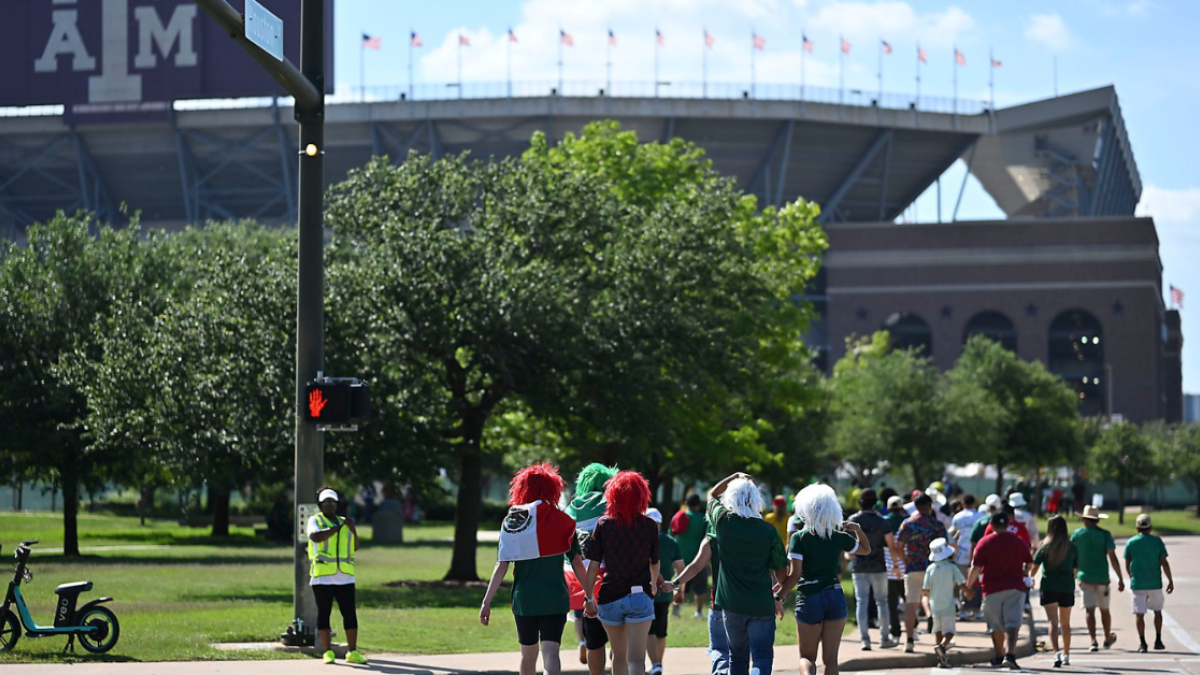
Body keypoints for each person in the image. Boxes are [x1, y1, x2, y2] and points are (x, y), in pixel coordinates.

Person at [482, 464, 588, 675]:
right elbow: (577, 562)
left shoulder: (512, 522)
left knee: (528, 655)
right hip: (555, 597)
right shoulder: (564, 521)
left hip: (525, 599)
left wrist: (486, 602)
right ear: (553, 489)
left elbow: (501, 565)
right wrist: (591, 597)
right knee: (551, 653)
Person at [779, 484, 870, 675]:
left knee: (807, 658)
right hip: (835, 595)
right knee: (831, 661)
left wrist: (779, 596)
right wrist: (858, 530)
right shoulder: (838, 536)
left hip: (810, 595)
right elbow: (865, 549)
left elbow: (795, 575)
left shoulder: (799, 538)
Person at [706, 473, 789, 675]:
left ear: (730, 499)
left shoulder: (723, 522)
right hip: (761, 604)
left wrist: (734, 476)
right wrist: (779, 592)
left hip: (731, 605)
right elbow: (782, 571)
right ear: (756, 500)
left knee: (737, 658)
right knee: (761, 656)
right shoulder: (768, 531)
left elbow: (711, 494)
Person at [583, 471, 664, 675]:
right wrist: (653, 585)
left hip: (609, 597)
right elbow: (655, 563)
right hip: (639, 595)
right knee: (636, 659)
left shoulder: (603, 524)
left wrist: (588, 596)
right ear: (642, 496)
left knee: (619, 657)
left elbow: (593, 565)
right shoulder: (649, 525)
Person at [567, 463, 619, 673]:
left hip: (583, 579)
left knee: (594, 640)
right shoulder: (613, 504)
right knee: (619, 638)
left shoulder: (572, 507)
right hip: (613, 577)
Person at [306, 487, 367, 665]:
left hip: (345, 576)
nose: (330, 505)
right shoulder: (315, 520)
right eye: (326, 502)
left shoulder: (345, 521)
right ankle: (327, 652)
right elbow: (315, 537)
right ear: (320, 505)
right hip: (323, 576)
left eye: (333, 502)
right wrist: (337, 528)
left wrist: (352, 529)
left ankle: (352, 651)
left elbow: (355, 546)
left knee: (350, 614)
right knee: (324, 613)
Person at [967, 511, 1033, 670]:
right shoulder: (1017, 541)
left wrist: (968, 586)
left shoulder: (984, 543)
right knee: (1013, 624)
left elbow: (975, 567)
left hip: (991, 589)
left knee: (995, 626)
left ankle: (998, 656)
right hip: (1015, 588)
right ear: (1008, 524)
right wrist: (1024, 572)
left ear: (992, 525)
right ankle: (1010, 655)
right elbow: (1029, 563)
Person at [847, 488, 897, 650]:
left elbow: (845, 544)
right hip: (878, 566)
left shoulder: (852, 520)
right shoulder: (882, 522)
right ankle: (884, 638)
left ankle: (864, 639)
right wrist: (895, 564)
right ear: (875, 504)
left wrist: (850, 557)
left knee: (862, 602)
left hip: (859, 567)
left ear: (860, 503)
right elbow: (891, 545)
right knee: (882, 602)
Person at [897, 492, 947, 653]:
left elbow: (899, 547)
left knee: (911, 605)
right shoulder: (937, 525)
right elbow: (944, 549)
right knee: (935, 604)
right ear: (930, 506)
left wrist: (906, 562)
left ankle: (909, 641)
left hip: (912, 569)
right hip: (934, 569)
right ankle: (938, 643)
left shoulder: (907, 524)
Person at [672, 534, 729, 675]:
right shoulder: (755, 534)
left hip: (719, 603)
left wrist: (675, 583)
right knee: (744, 653)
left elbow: (695, 566)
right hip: (745, 604)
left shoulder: (713, 539)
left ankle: (721, 670)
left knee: (719, 649)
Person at [1072, 505, 1124, 652]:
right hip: (1102, 577)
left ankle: (1093, 640)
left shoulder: (1077, 535)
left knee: (1089, 610)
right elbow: (1112, 557)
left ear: (1084, 520)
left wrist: (1073, 573)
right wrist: (1120, 577)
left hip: (1084, 577)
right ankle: (1107, 637)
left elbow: (1072, 555)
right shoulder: (1105, 535)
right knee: (1104, 609)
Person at [1030, 515, 1079, 668]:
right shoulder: (1071, 546)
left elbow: (1035, 566)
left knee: (1052, 621)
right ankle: (1066, 654)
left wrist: (1030, 578)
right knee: (1065, 623)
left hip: (1049, 586)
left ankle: (1056, 653)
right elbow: (1075, 571)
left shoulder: (1045, 546)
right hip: (1066, 587)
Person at [1124, 514, 1174, 653]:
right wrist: (1170, 580)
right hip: (1155, 583)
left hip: (1138, 583)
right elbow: (1164, 562)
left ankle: (1142, 643)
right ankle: (1158, 639)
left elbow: (1127, 562)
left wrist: (1130, 574)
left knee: (1139, 614)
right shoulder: (1157, 541)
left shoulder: (1131, 542)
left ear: (1136, 527)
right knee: (1157, 611)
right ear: (1150, 527)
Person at [645, 508, 684, 675]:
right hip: (665, 592)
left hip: (645, 591)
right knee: (661, 630)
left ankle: (655, 664)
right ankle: (658, 663)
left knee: (649, 630)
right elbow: (680, 568)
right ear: (660, 522)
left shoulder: (640, 540)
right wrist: (679, 590)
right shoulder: (671, 541)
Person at [922, 538, 967, 669]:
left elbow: (925, 589)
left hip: (934, 605)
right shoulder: (952, 567)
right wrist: (969, 592)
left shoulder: (930, 568)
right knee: (949, 632)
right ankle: (942, 646)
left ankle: (940, 658)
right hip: (948, 605)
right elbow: (961, 583)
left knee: (938, 631)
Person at [671, 493, 709, 619]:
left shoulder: (678, 516)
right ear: (698, 505)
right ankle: (698, 612)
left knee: (678, 583)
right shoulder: (703, 519)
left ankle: (676, 611)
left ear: (686, 503)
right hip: (698, 558)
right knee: (700, 587)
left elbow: (671, 534)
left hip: (679, 557)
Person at [949, 494, 984, 620]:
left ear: (962, 504)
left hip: (961, 554)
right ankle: (976, 610)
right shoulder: (981, 517)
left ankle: (962, 609)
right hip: (977, 553)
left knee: (961, 581)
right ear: (974, 504)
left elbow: (953, 534)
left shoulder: (957, 517)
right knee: (976, 581)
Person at [882, 495, 907, 642]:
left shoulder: (883, 522)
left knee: (891, 601)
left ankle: (896, 632)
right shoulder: (907, 521)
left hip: (888, 564)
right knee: (909, 598)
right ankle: (914, 626)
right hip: (906, 563)